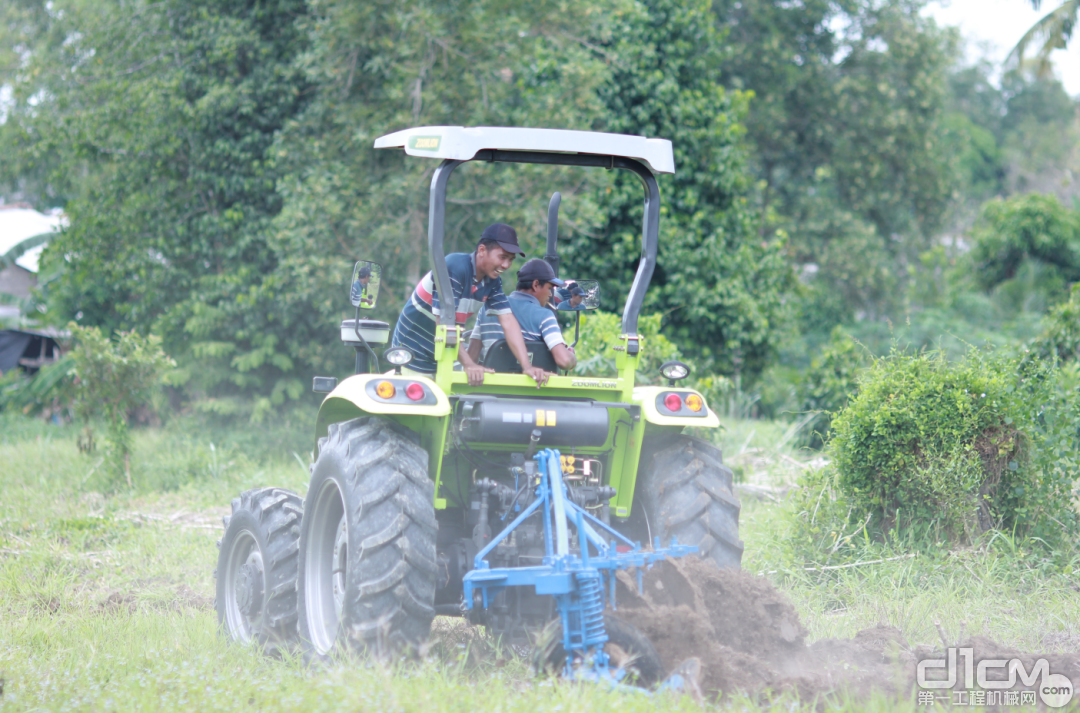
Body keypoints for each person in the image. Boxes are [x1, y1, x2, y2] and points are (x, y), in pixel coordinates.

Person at [391, 223, 550, 386]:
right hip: (413, 353)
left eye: (510, 260)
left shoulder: (492, 282)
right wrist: (469, 364)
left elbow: (508, 321)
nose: (506, 265)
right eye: (502, 257)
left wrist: (527, 367)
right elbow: (444, 324)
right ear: (482, 250)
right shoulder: (454, 267)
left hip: (443, 352)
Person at [467, 258, 578, 371]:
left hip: (490, 387)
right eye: (549, 288)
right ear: (536, 285)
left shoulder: (488, 307)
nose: (550, 294)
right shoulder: (544, 316)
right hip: (531, 387)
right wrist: (571, 355)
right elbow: (564, 361)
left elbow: (471, 358)